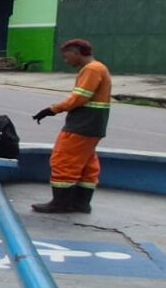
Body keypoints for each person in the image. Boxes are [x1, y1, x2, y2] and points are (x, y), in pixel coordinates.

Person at [30, 39, 111, 214]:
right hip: (94, 125)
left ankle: (60, 203)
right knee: (87, 163)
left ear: (76, 52)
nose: (66, 61)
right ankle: (81, 203)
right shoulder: (99, 68)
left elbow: (80, 98)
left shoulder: (91, 69)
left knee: (63, 160)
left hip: (82, 124)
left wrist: (52, 109)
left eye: (67, 57)